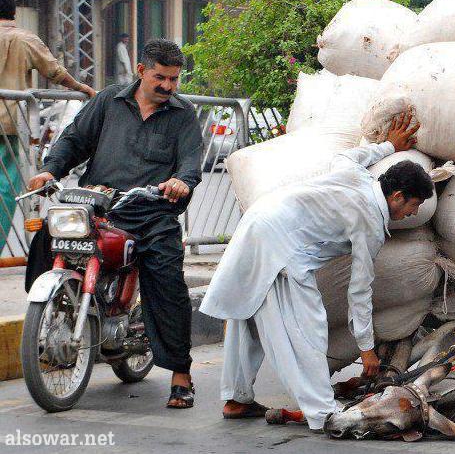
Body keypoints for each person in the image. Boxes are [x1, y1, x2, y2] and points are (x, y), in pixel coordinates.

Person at [199, 113, 433, 432]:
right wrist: (366, 350)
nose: (413, 213)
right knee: (309, 326)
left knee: (247, 315)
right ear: (396, 196)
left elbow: (349, 155)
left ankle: (237, 399)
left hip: (258, 221)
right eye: (413, 205)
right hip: (283, 246)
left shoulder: (356, 175)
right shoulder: (370, 221)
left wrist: (389, 145)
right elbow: (360, 289)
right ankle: (322, 411)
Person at [27, 39, 203, 409]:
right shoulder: (108, 101)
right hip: (99, 204)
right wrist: (48, 170)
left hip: (152, 212)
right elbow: (73, 140)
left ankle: (180, 374)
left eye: (174, 79)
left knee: (168, 284)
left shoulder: (183, 114)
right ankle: (46, 321)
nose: (168, 86)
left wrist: (181, 181)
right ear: (141, 71)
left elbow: (190, 161)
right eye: (161, 77)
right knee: (47, 236)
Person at [0, 0, 95, 253]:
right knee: (6, 189)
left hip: (10, 128)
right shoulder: (24, 39)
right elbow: (54, 71)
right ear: (13, 10)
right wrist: (82, 88)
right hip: (10, 127)